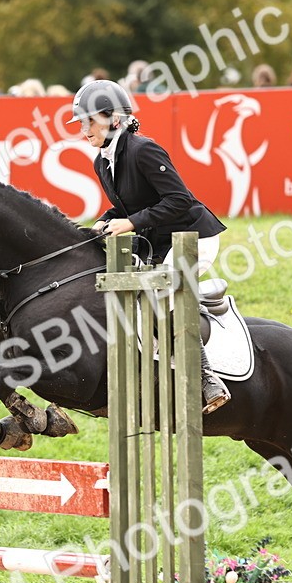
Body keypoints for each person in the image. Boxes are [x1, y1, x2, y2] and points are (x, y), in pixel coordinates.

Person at [70, 79, 230, 414]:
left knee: (160, 293)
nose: (84, 130)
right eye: (81, 123)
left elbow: (179, 200)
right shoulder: (102, 161)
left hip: (193, 237)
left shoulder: (145, 150)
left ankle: (208, 378)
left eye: (89, 121)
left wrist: (130, 224)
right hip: (159, 243)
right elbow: (129, 206)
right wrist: (105, 219)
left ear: (114, 119)